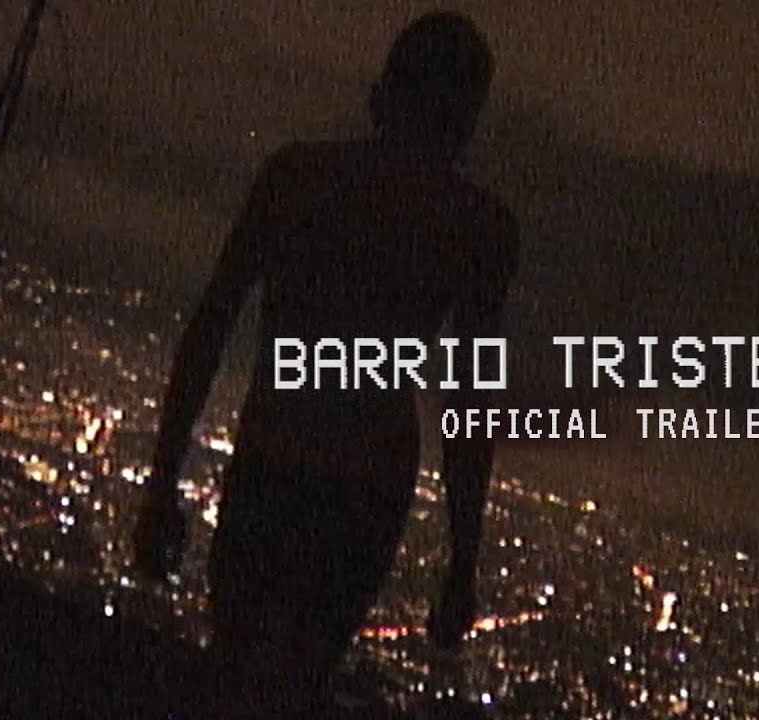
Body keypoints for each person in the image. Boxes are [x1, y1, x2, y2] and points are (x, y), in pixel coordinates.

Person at [135, 11, 519, 717]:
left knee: (233, 669)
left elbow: (211, 326)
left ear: (384, 92)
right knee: (301, 682)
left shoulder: (297, 179)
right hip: (368, 486)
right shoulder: (477, 229)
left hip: (273, 453)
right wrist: (462, 560)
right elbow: (470, 402)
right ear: (466, 123)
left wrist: (164, 483)